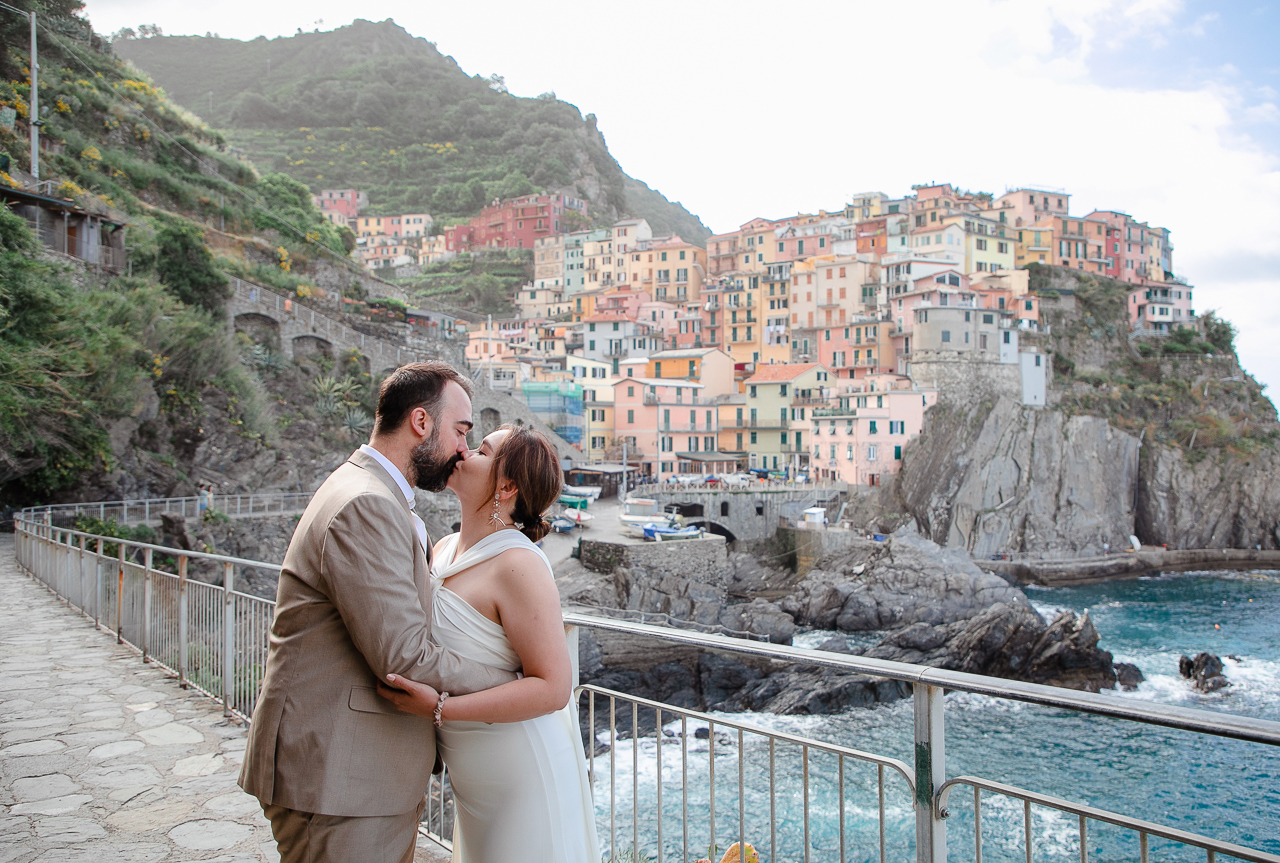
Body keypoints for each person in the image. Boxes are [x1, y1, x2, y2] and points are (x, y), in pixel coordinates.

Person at [239, 362, 517, 863]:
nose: (462, 448)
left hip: (355, 771)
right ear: (420, 422)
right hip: (338, 774)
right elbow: (403, 653)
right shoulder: (367, 503)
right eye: (460, 430)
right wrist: (513, 680)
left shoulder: (377, 494)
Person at [377, 424, 600, 863]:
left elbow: (553, 687)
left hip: (520, 771)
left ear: (507, 485)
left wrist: (439, 709)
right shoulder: (441, 548)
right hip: (470, 772)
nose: (462, 450)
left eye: (480, 449)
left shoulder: (517, 566)